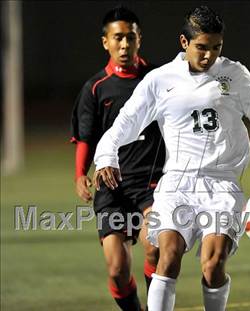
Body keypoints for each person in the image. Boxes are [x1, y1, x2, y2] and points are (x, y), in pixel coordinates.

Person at [93, 5, 250, 311]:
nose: (209, 55)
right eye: (201, 47)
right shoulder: (161, 79)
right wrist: (106, 155)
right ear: (184, 43)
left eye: (216, 47)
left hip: (222, 184)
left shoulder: (234, 74)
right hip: (176, 184)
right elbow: (127, 121)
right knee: (167, 254)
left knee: (213, 264)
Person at [70, 6, 165, 311]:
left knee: (155, 246)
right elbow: (86, 137)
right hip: (111, 186)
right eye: (118, 38)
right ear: (106, 42)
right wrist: (80, 175)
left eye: (130, 37)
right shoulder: (95, 89)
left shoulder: (158, 80)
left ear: (140, 39)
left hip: (152, 180)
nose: (124, 45)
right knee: (117, 269)